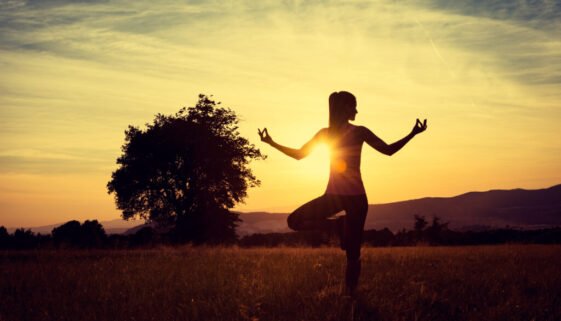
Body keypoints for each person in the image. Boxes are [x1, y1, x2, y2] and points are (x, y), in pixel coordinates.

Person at [258, 91, 427, 297]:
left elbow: (388, 150)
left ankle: (350, 296)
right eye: (353, 106)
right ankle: (338, 225)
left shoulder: (358, 132)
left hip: (356, 199)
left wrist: (412, 134)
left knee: (353, 254)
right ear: (343, 108)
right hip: (335, 197)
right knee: (294, 221)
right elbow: (299, 155)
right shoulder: (327, 134)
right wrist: (271, 143)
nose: (356, 110)